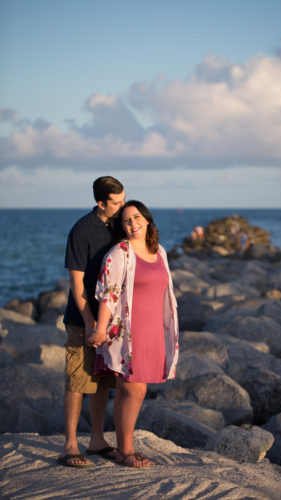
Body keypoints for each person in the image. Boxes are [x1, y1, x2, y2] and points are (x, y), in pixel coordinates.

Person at [93, 200, 179, 468]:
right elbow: (109, 293)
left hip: (154, 331)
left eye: (136, 217)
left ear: (148, 220)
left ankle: (123, 447)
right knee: (133, 390)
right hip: (128, 333)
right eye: (126, 220)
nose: (132, 223)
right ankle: (126, 451)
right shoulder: (120, 252)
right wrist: (99, 328)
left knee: (131, 391)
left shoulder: (160, 251)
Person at [57, 176, 126, 468]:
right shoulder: (82, 230)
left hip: (111, 320)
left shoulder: (120, 226)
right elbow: (76, 283)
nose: (123, 206)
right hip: (81, 319)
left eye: (124, 200)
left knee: (102, 381)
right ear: (101, 203)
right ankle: (70, 444)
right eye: (117, 202)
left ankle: (97, 440)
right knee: (77, 379)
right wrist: (88, 321)